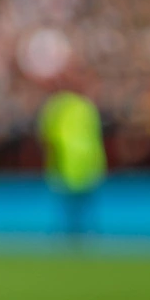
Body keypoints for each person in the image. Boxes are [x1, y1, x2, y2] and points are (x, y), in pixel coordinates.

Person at [38, 90, 107, 241]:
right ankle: (85, 232)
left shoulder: (57, 109)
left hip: (67, 166)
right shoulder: (87, 108)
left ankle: (71, 233)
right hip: (89, 164)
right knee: (84, 205)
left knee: (69, 206)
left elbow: (48, 139)